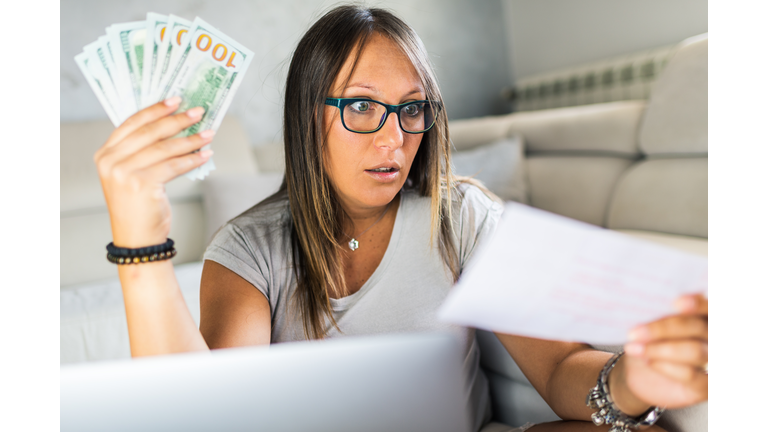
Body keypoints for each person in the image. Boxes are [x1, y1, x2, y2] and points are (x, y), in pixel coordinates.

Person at [93, 5, 708, 432]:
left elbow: (557, 369)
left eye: (412, 109)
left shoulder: (461, 215)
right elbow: (202, 416)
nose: (395, 139)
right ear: (310, 117)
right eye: (362, 106)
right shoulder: (249, 250)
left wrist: (632, 382)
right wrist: (140, 239)